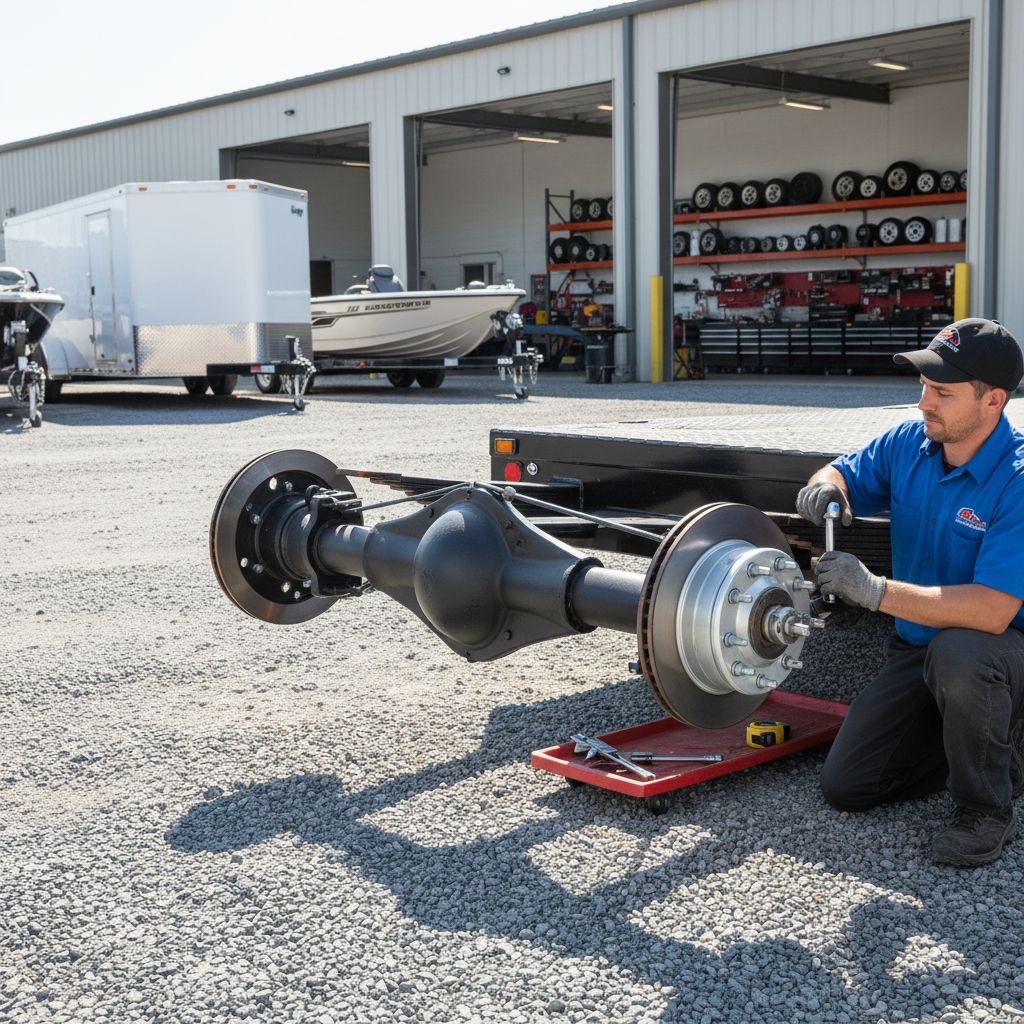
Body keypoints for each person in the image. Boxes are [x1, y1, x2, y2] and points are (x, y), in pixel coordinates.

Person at [796, 318, 1024, 867]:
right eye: (923, 386)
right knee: (848, 786)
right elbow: (846, 471)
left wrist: (872, 591)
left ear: (992, 401)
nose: (924, 403)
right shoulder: (911, 443)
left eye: (942, 392)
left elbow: (992, 611)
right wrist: (827, 485)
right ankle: (998, 747)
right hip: (918, 651)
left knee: (961, 654)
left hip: (1000, 652)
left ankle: (985, 810)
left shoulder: (1017, 479)